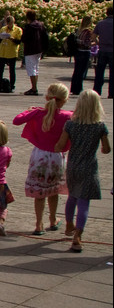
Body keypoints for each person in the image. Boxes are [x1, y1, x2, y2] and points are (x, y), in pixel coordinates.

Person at [54, 90, 111, 252]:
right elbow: (106, 150)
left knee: (72, 197)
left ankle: (68, 224)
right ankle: (78, 236)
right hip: (89, 167)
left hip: (73, 165)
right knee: (84, 202)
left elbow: (59, 145)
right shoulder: (100, 126)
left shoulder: (70, 124)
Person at [13, 83, 71, 235]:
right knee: (53, 190)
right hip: (57, 157)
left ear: (46, 97)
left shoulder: (39, 113)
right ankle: (52, 219)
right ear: (64, 100)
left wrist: (30, 111)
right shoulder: (67, 116)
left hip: (39, 156)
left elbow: (17, 120)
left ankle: (38, 224)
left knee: (39, 192)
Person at [20, 10, 49, 96]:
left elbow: (24, 38)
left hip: (30, 50)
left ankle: (34, 88)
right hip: (39, 49)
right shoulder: (40, 25)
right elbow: (45, 37)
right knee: (36, 68)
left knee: (31, 69)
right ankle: (34, 86)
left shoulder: (29, 27)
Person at [0, 15, 22, 92]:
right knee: (0, 70)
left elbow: (19, 41)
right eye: (9, 23)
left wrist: (12, 38)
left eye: (11, 23)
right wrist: (2, 37)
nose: (10, 25)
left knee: (12, 70)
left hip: (11, 52)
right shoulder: (3, 29)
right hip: (3, 52)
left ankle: (12, 86)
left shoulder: (18, 30)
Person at [69, 16, 95, 95]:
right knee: (82, 71)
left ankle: (74, 88)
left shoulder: (78, 30)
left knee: (76, 70)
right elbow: (86, 43)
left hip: (77, 52)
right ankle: (79, 88)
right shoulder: (88, 31)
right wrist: (94, 43)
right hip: (85, 52)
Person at [94, 7, 113, 98]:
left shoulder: (100, 23)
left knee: (99, 72)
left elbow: (93, 36)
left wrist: (98, 42)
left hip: (102, 49)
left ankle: (97, 91)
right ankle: (111, 93)